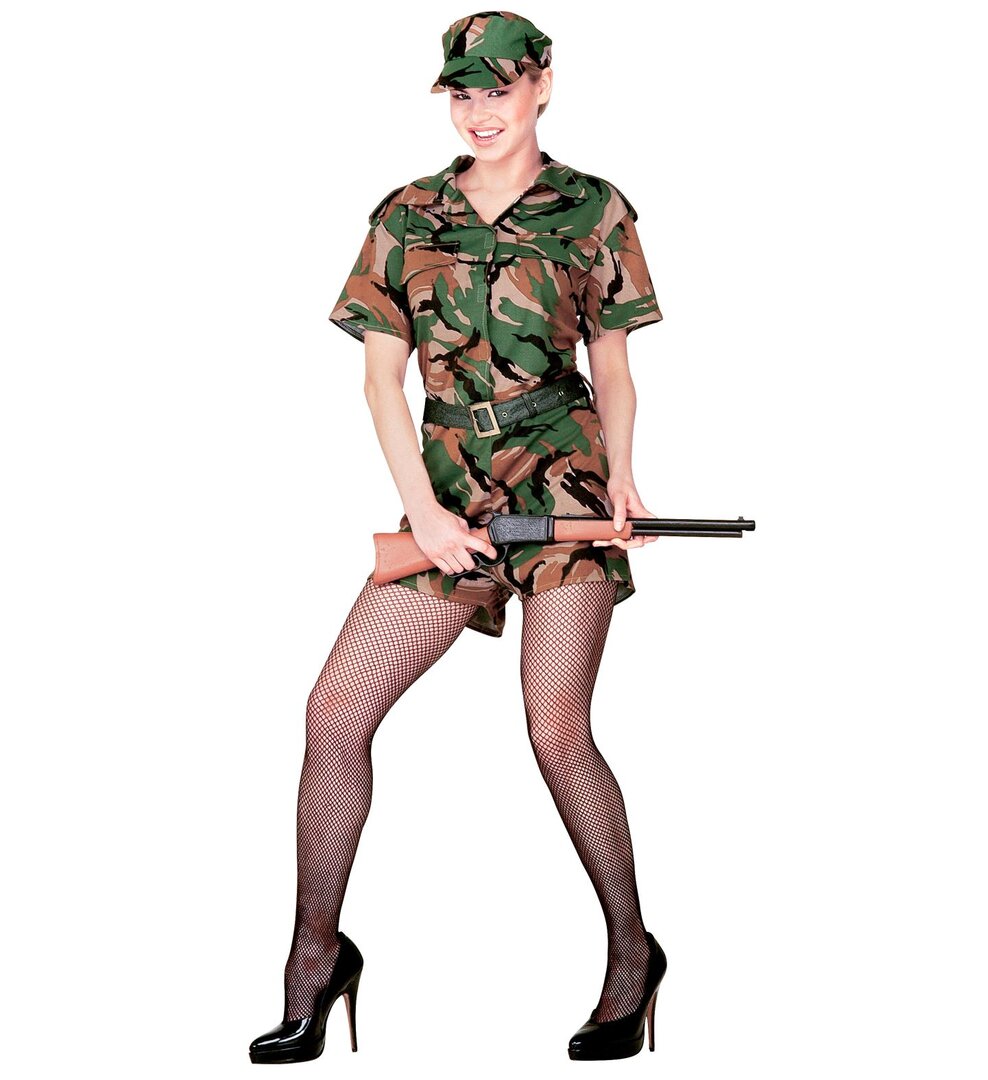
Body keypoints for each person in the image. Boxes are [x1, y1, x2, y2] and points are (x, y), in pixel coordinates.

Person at [249, 10, 668, 1065]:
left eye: (499, 88)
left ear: (543, 84)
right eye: (463, 92)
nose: (481, 110)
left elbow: (614, 365)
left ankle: (632, 956)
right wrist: (425, 514)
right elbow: (376, 381)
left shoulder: (594, 208)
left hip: (563, 480)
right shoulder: (406, 213)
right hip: (447, 492)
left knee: (555, 727)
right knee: (333, 712)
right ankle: (314, 957)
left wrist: (622, 477)